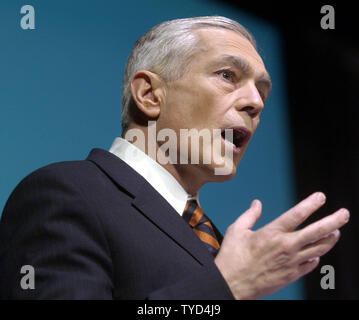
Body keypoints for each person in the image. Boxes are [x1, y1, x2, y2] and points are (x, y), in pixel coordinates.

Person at [0, 16, 349, 300]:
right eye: (228, 75)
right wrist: (226, 287)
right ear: (150, 95)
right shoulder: (65, 194)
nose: (256, 102)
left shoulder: (214, 241)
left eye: (262, 90)